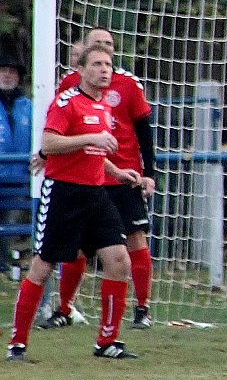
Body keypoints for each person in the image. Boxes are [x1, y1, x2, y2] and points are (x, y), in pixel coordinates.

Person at [6, 44, 141, 361]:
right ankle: (17, 344)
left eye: (108, 63)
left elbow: (94, 153)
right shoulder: (66, 103)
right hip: (64, 194)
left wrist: (117, 170)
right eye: (97, 63)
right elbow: (49, 142)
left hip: (96, 193)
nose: (105, 69)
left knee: (119, 259)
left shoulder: (104, 107)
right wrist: (89, 139)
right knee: (43, 267)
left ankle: (107, 341)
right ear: (82, 70)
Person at [36, 27, 156, 330]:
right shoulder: (70, 89)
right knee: (72, 249)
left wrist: (148, 173)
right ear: (84, 55)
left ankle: (141, 310)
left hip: (121, 176)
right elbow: (60, 127)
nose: (105, 57)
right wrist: (45, 152)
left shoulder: (127, 84)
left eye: (109, 48)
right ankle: (64, 309)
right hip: (80, 180)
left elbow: (144, 130)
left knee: (131, 243)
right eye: (98, 48)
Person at [0, 55, 33, 273]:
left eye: (12, 71)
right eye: (3, 70)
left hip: (19, 178)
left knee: (10, 227)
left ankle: (5, 263)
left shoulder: (28, 106)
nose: (7, 75)